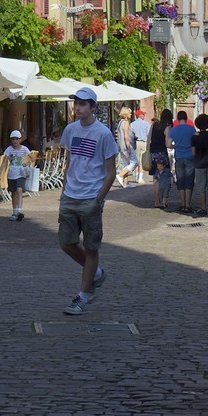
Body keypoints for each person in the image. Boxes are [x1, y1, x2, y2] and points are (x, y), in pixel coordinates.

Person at [59, 86, 118, 316]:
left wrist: (98, 199)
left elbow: (111, 172)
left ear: (93, 107)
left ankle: (82, 296)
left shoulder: (102, 133)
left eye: (83, 104)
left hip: (91, 197)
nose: (78, 107)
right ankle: (96, 273)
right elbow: (69, 162)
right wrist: (64, 191)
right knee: (66, 243)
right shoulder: (70, 130)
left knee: (91, 247)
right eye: (77, 103)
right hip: (70, 196)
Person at [190, 113, 208, 217]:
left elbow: (193, 152)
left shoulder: (194, 137)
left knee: (201, 186)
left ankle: (203, 208)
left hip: (199, 163)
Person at [170, 110, 196, 213]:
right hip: (189, 156)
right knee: (189, 180)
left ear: (177, 118)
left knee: (181, 180)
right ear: (186, 118)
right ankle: (188, 204)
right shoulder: (191, 129)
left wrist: (175, 145)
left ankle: (182, 204)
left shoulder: (174, 130)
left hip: (179, 156)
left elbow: (168, 144)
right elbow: (196, 138)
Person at [149, 108, 174, 209]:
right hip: (162, 154)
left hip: (152, 153)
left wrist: (148, 152)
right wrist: (173, 146)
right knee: (164, 178)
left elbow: (148, 139)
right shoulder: (167, 127)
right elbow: (167, 144)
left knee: (155, 178)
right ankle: (164, 201)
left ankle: (156, 201)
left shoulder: (154, 125)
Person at [3, 129, 31, 221]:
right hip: (11, 173)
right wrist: (0, 172)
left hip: (21, 172)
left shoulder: (24, 149)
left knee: (19, 190)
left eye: (17, 139)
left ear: (20, 139)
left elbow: (33, 157)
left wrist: (27, 163)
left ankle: (19, 211)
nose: (15, 141)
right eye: (13, 139)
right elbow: (4, 162)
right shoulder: (9, 150)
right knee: (14, 193)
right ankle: (14, 212)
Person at [115, 105, 136, 187]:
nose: (131, 114)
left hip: (120, 146)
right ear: (126, 114)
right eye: (130, 113)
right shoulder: (126, 123)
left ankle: (126, 182)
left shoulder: (120, 122)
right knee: (134, 162)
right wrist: (128, 148)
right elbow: (126, 136)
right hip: (126, 146)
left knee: (126, 164)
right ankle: (120, 175)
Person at [129, 107, 152, 184]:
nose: (144, 116)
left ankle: (136, 176)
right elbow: (149, 135)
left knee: (136, 160)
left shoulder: (132, 124)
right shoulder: (146, 124)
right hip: (144, 142)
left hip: (135, 143)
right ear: (140, 115)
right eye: (143, 114)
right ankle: (140, 177)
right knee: (142, 160)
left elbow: (130, 135)